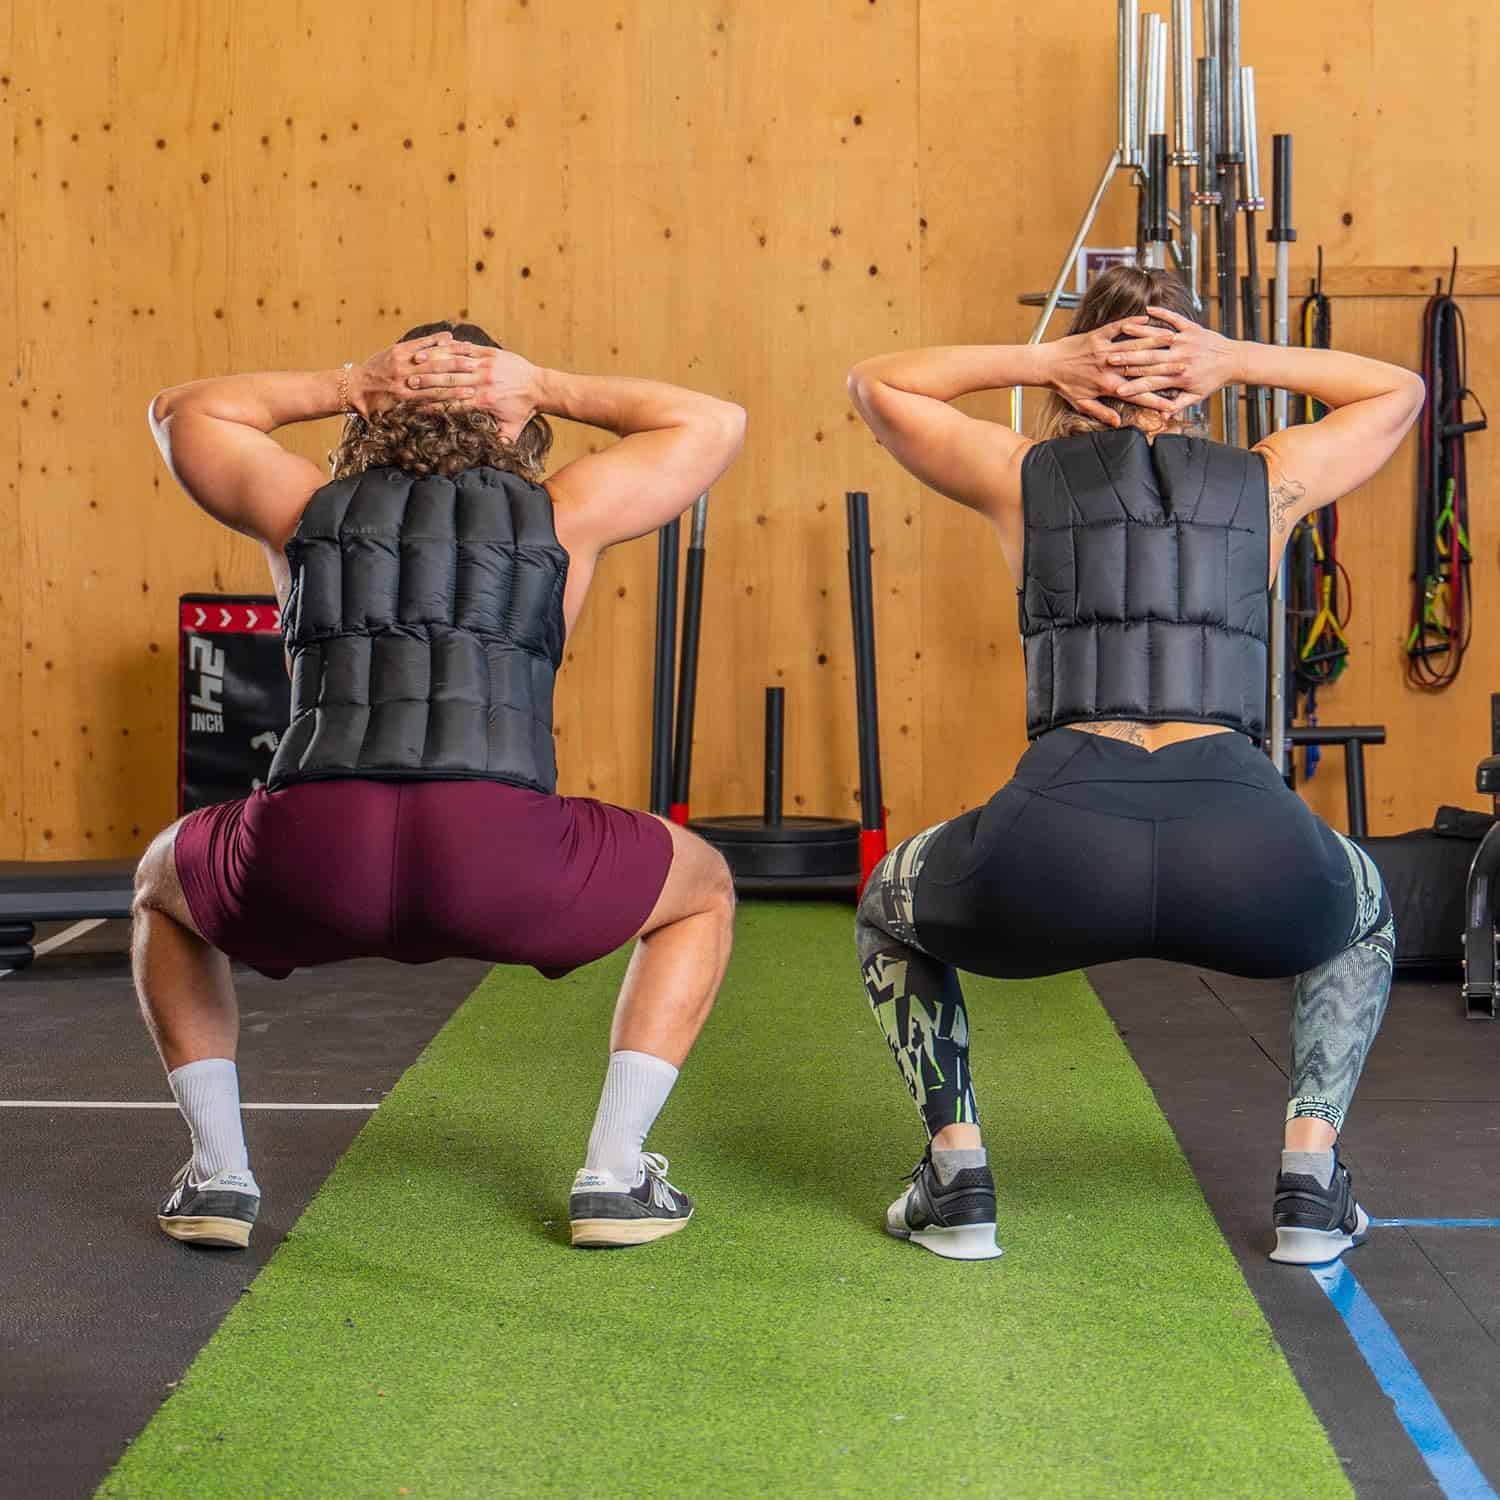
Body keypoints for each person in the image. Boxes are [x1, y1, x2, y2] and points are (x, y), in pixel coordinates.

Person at [846, 266, 1424, 1264]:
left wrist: (1042, 362)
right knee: (1363, 909)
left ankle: (957, 1178)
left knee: (887, 909)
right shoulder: (1272, 477)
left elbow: (877, 384)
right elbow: (1399, 392)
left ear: (1080, 376)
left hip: (1059, 842)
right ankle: (1310, 1188)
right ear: (1199, 382)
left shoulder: (1019, 476)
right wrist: (1235, 360)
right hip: (1244, 844)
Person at [139, 322, 745, 1251]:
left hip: (312, 849)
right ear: (512, 416)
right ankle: (616, 1178)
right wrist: (545, 381)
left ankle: (219, 1175)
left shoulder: (304, 504)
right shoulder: (564, 509)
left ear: (377, 408)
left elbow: (183, 413)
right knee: (701, 889)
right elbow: (712, 421)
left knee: (159, 884)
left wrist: (351, 380)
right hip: (500, 853)